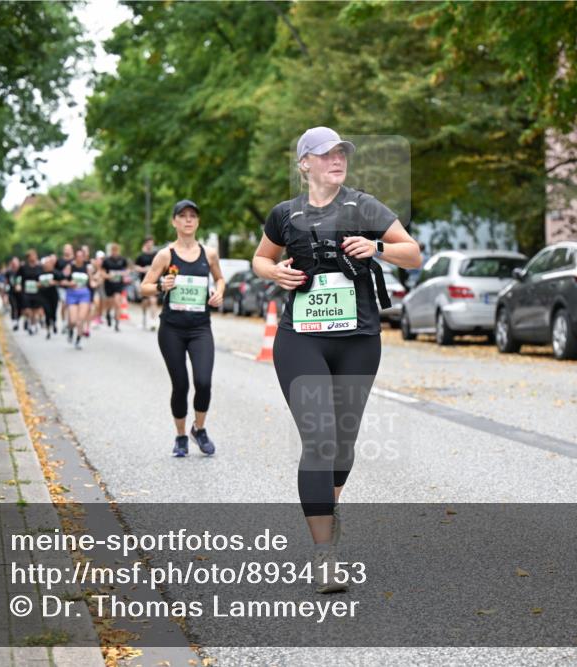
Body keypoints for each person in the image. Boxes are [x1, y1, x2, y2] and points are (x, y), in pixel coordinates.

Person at [252, 127, 421, 593]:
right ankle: (325, 555)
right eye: (325, 155)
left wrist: (378, 248)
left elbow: (414, 254)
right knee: (319, 440)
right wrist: (276, 271)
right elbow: (260, 259)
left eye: (341, 153)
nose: (336, 160)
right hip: (301, 338)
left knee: (342, 445)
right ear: (304, 163)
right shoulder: (285, 214)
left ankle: (326, 505)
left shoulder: (363, 206)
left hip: (358, 339)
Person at [141, 200, 224, 458]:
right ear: (174, 221)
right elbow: (144, 286)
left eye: (193, 216)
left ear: (197, 222)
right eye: (183, 216)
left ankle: (198, 429)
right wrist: (160, 287)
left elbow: (220, 278)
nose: (188, 220)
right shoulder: (166, 255)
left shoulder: (208, 254)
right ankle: (180, 436)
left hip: (200, 327)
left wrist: (219, 293)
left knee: (203, 381)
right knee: (181, 385)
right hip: (172, 329)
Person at [63, 248, 93, 349]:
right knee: (73, 320)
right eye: (78, 256)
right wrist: (69, 283)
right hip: (72, 294)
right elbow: (62, 281)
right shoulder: (70, 266)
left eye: (82, 256)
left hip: (84, 294)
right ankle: (70, 330)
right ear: (75, 257)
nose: (80, 258)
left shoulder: (87, 268)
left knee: (80, 319)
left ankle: (78, 340)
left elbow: (91, 281)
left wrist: (95, 282)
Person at [102, 243, 129, 332]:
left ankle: (117, 323)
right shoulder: (106, 261)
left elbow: (127, 270)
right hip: (109, 284)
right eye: (113, 250)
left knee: (117, 303)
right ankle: (108, 313)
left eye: (116, 250)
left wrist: (123, 273)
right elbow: (102, 273)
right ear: (111, 251)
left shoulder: (122, 260)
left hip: (118, 284)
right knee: (110, 303)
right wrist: (109, 276)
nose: (115, 252)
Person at [15, 250, 44, 335]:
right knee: (27, 309)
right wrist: (18, 284)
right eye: (32, 256)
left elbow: (43, 277)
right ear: (28, 257)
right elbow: (17, 277)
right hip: (26, 291)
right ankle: (28, 320)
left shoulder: (40, 267)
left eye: (35, 255)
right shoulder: (23, 267)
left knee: (35, 310)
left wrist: (41, 283)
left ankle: (33, 324)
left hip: (36, 291)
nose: (34, 257)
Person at [134, 237, 159, 330]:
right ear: (145, 244)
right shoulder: (141, 256)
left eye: (152, 243)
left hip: (154, 281)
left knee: (153, 300)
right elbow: (135, 267)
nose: (150, 245)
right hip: (144, 281)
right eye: (148, 243)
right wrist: (144, 269)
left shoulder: (156, 255)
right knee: (145, 302)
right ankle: (144, 318)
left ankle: (153, 321)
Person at [38, 254, 61, 340]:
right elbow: (36, 283)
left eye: (49, 263)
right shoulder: (40, 272)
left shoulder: (55, 272)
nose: (47, 264)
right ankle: (48, 331)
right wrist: (39, 284)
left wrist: (54, 282)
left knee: (53, 311)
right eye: (46, 263)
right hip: (43, 295)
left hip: (53, 295)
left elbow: (61, 281)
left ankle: (54, 322)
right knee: (47, 312)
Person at [56, 244, 75, 329]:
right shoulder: (59, 261)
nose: (67, 251)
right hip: (62, 287)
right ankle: (64, 322)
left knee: (71, 305)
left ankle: (71, 321)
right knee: (64, 303)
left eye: (68, 249)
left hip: (73, 286)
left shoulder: (75, 261)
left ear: (72, 250)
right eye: (65, 249)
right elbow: (55, 273)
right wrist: (62, 275)